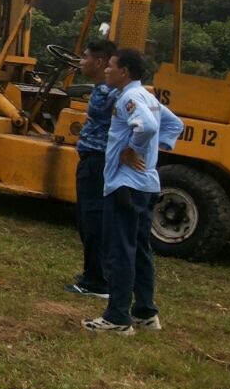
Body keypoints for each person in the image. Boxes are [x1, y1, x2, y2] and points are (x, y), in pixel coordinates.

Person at [83, 47, 183, 335]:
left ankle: (117, 317)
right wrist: (151, 157)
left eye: (112, 66)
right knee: (140, 250)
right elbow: (174, 124)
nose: (107, 70)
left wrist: (133, 151)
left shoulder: (128, 97)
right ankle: (146, 314)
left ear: (124, 71)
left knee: (119, 251)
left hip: (125, 185)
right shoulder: (147, 97)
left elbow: (148, 127)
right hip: (146, 185)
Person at [64, 38, 117, 298]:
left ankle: (97, 282)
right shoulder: (104, 90)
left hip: (96, 161)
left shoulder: (111, 93)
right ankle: (94, 275)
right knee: (90, 219)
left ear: (98, 62)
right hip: (93, 160)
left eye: (85, 57)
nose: (81, 61)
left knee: (92, 220)